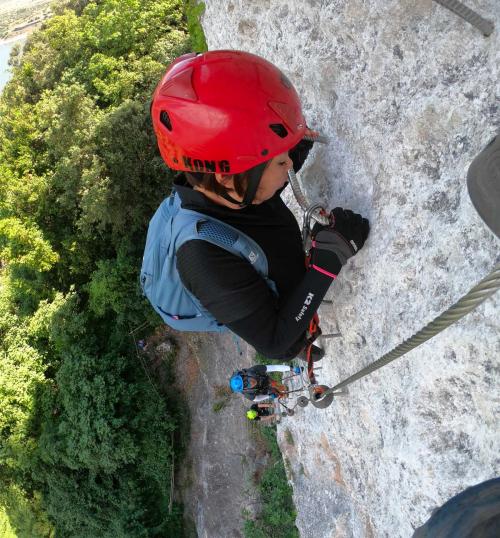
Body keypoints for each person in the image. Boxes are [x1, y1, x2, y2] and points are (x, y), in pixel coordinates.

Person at [149, 50, 369, 360]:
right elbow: (275, 342)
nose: (289, 163)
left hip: (252, 231)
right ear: (227, 178)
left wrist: (282, 146)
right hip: (268, 321)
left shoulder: (223, 187)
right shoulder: (203, 261)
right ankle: (305, 342)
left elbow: (252, 197)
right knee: (292, 342)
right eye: (280, 162)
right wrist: (328, 260)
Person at [229, 364, 301, 402]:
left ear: (245, 375)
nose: (250, 382)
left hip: (264, 378)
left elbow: (274, 367)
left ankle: (283, 388)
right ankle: (283, 394)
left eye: (246, 379)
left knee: (274, 384)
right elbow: (257, 399)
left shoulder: (254, 370)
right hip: (262, 389)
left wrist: (291, 369)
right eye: (247, 385)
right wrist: (269, 396)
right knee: (275, 392)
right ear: (245, 388)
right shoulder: (249, 395)